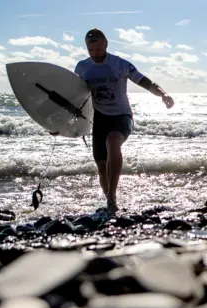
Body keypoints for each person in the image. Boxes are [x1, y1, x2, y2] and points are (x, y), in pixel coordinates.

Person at [74, 28, 174, 215]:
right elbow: (74, 98)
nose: (95, 54)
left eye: (98, 49)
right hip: (100, 118)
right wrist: (58, 125)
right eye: (91, 51)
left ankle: (112, 198)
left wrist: (163, 94)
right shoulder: (82, 68)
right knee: (101, 166)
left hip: (122, 116)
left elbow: (145, 82)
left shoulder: (119, 64)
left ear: (106, 44)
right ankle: (110, 203)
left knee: (113, 142)